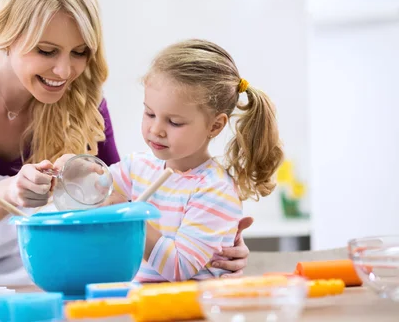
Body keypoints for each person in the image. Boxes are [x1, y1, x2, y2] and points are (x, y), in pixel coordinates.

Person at [0, 0, 252, 286]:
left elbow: (119, 208)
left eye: (79, 52)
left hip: (34, 271)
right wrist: (9, 190)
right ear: (8, 32)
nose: (64, 71)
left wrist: (207, 240)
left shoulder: (83, 93)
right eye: (46, 51)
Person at [57, 39, 284, 282]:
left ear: (215, 126)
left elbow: (179, 268)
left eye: (174, 122)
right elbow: (95, 192)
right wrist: (74, 170)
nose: (156, 129)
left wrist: (128, 217)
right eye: (149, 113)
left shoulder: (215, 190)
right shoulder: (138, 167)